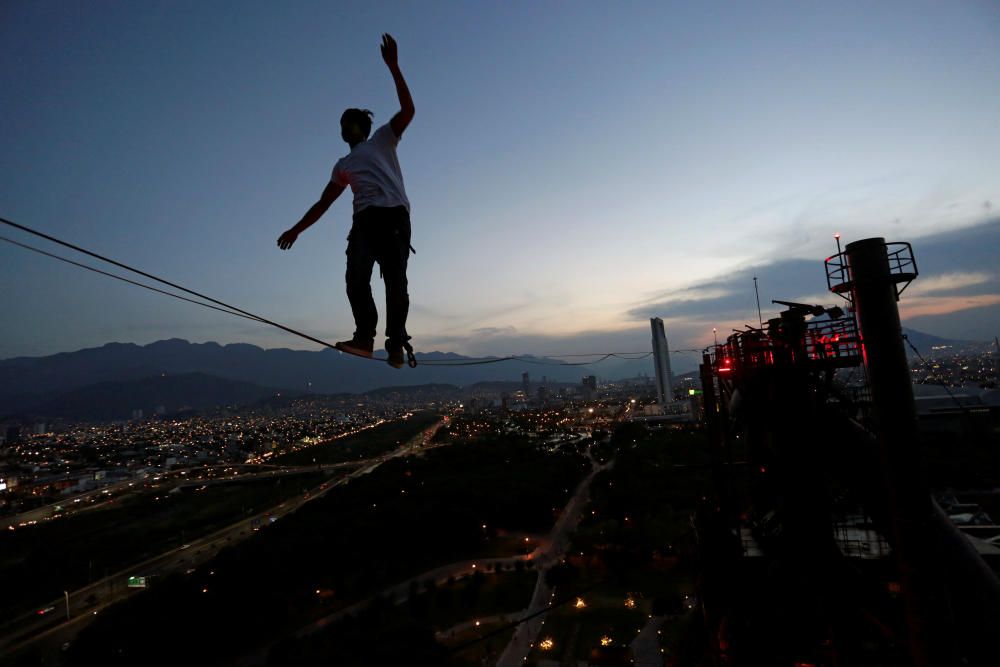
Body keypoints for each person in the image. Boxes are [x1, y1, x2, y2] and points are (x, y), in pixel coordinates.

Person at [277, 33, 415, 368]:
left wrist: (394, 67)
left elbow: (408, 109)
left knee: (395, 282)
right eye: (341, 125)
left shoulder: (383, 139)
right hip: (364, 221)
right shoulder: (343, 165)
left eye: (345, 123)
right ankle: (364, 339)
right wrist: (297, 230)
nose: (341, 129)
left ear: (358, 126)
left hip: (394, 217)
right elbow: (323, 203)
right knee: (356, 278)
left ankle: (396, 342)